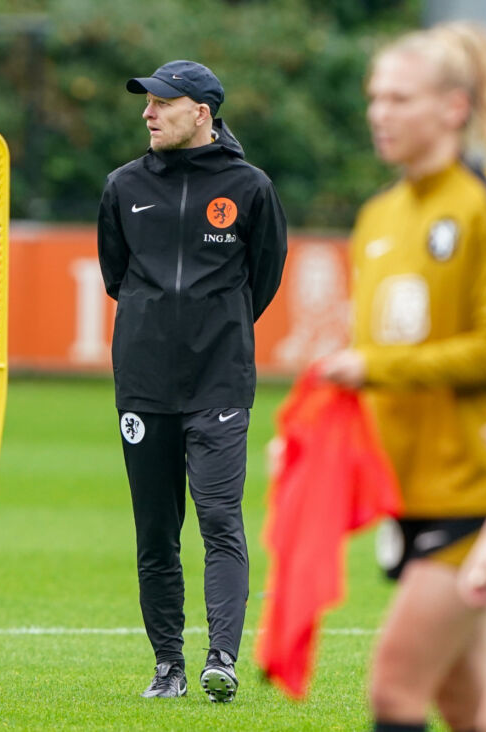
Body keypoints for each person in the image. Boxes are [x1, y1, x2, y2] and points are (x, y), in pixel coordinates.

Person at [96, 59, 287, 702]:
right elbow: (117, 276)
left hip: (219, 382)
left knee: (219, 520)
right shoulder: (122, 187)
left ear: (200, 113)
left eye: (161, 102)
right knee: (155, 530)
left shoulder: (251, 187)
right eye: (146, 102)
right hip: (144, 385)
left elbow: (262, 278)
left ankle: (223, 658)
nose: (147, 113)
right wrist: (159, 328)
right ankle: (168, 667)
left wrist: (212, 328)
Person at [319, 22, 486, 732]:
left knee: (394, 688)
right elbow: (379, 370)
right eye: (374, 97)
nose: (379, 113)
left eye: (400, 98)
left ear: (454, 107)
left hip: (471, 493)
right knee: (466, 706)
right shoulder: (378, 217)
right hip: (408, 493)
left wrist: (374, 367)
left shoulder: (478, 205)